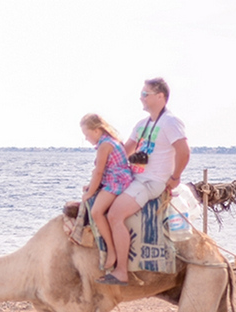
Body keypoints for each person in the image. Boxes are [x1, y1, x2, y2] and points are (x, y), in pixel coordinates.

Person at [99, 77, 190, 286]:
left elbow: (184, 151)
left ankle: (121, 271)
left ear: (160, 96)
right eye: (141, 94)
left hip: (151, 181)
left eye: (145, 94)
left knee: (114, 215)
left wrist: (175, 177)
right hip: (135, 177)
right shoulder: (142, 124)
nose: (141, 98)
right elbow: (124, 151)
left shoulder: (170, 122)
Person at [79, 113, 133, 272]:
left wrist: (90, 193)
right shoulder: (109, 141)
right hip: (113, 178)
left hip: (116, 181)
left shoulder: (105, 145)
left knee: (96, 211)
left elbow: (99, 172)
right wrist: (90, 186)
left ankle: (112, 250)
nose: (87, 139)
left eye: (87, 135)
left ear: (96, 131)